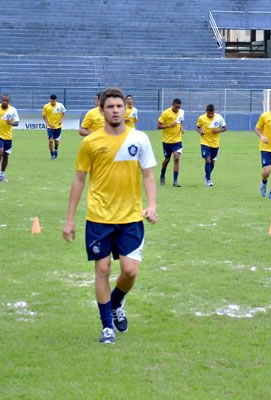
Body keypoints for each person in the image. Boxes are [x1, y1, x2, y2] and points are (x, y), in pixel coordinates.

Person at [62, 87, 157, 344]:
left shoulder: (139, 138)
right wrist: (70, 219)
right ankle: (107, 327)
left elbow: (148, 174)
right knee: (102, 269)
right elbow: (79, 180)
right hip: (99, 217)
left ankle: (116, 303)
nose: (115, 111)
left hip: (131, 217)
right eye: (110, 107)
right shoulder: (90, 142)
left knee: (130, 272)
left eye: (119, 106)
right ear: (101, 110)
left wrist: (152, 205)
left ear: (126, 109)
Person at [196, 104, 227, 186]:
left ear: (214, 111)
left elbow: (225, 128)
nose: (210, 115)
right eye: (209, 113)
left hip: (215, 143)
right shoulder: (201, 118)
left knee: (212, 163)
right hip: (205, 142)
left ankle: (207, 175)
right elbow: (197, 127)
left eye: (212, 113)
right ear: (206, 111)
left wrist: (218, 131)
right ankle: (208, 180)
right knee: (207, 160)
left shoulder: (219, 117)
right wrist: (200, 132)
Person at [157, 98, 184, 187]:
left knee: (176, 158)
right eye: (176, 107)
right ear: (172, 105)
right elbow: (158, 126)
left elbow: (180, 121)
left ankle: (175, 181)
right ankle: (162, 174)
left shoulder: (181, 112)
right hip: (167, 141)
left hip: (177, 140)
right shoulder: (166, 113)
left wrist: (181, 128)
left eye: (179, 107)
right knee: (167, 160)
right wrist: (170, 125)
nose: (177, 109)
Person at [0, 94, 19, 183]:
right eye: (3, 100)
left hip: (8, 137)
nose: (4, 102)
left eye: (6, 101)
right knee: (0, 151)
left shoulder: (13, 110)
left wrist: (10, 123)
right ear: (1, 100)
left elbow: (17, 123)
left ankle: (2, 174)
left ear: (9, 101)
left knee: (6, 156)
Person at [41, 94, 66, 159]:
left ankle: (56, 149)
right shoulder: (46, 106)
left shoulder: (60, 105)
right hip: (50, 127)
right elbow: (44, 116)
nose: (53, 102)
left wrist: (61, 120)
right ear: (50, 100)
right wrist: (48, 123)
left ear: (56, 100)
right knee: (50, 140)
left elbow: (64, 112)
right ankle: (52, 154)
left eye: (54, 101)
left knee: (56, 141)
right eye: (52, 101)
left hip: (58, 126)